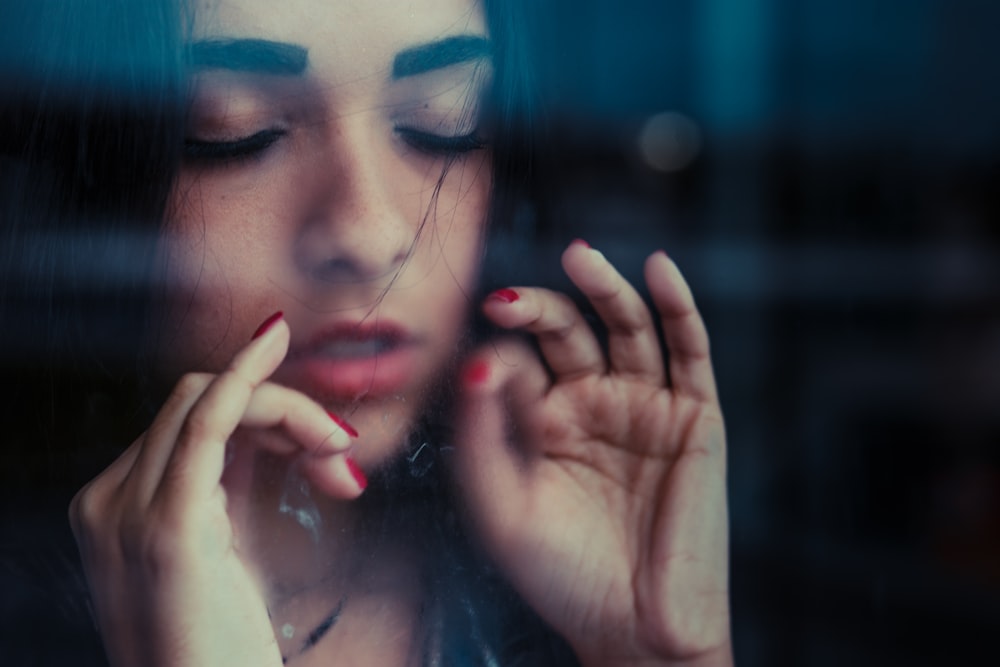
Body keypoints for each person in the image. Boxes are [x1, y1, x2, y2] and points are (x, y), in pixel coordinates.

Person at [2, 0, 732, 665]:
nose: (369, 231)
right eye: (234, 128)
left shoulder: (578, 578)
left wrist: (658, 658)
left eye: (443, 120)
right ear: (94, 179)